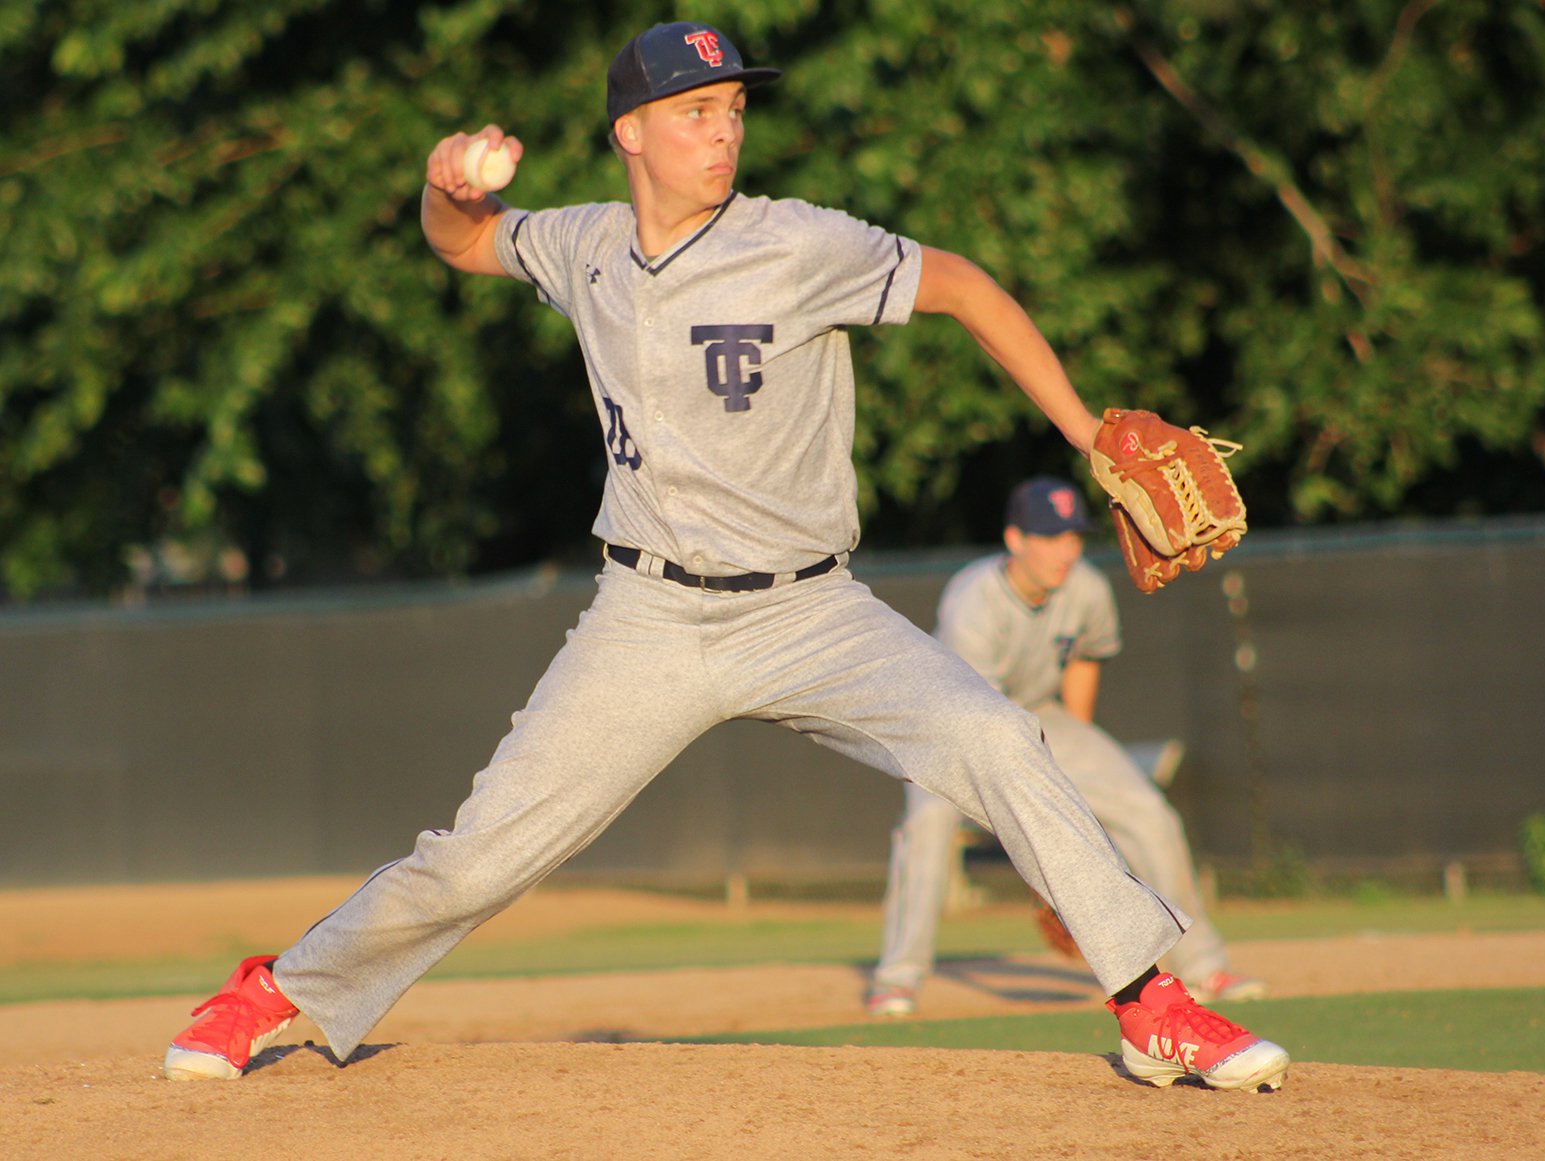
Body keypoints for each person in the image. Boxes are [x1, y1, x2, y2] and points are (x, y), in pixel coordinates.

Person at [162, 22, 1289, 1092]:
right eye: (695, 109)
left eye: (734, 106)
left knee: (996, 736)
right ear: (630, 132)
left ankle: (1152, 1005)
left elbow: (962, 287)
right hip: (645, 621)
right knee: (478, 858)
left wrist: (1087, 430)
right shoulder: (584, 244)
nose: (723, 130)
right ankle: (277, 988)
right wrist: (444, 184)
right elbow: (461, 242)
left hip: (812, 617)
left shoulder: (799, 242)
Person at [867, 476, 1267, 1018]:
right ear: (1015, 539)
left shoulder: (1086, 589)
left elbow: (1083, 662)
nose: (1065, 550)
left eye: (1072, 537)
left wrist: (1071, 784)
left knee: (1150, 814)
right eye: (1050, 537)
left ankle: (1204, 963)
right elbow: (982, 727)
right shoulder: (974, 599)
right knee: (927, 825)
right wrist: (1044, 856)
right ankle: (898, 977)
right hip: (952, 725)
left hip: (1044, 718)